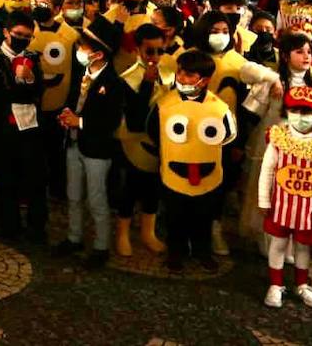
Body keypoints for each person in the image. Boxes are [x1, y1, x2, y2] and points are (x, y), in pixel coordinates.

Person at [130, 48, 237, 272]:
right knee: (175, 217)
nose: (182, 78)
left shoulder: (218, 108)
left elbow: (227, 136)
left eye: (189, 75)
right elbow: (152, 131)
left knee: (203, 217)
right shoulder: (164, 104)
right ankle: (175, 252)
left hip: (209, 176)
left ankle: (202, 252)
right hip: (173, 173)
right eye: (180, 73)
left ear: (204, 80)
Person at [257, 84, 312, 310]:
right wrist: (263, 199)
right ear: (287, 112)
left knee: (303, 247)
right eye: (295, 111)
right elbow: (267, 171)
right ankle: (275, 284)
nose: (301, 116)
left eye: (307, 112)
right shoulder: (278, 138)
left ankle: (301, 283)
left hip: (309, 211)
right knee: (278, 244)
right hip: (280, 207)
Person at [53, 15, 124, 268]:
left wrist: (79, 122)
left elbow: (111, 122)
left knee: (96, 199)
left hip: (97, 150)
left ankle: (101, 246)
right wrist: (67, 116)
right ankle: (74, 237)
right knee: (73, 195)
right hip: (73, 144)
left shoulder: (113, 84)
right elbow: (74, 102)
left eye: (84, 46)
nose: (79, 49)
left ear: (99, 54)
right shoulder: (82, 73)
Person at [0, 10, 47, 243]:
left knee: (34, 178)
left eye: (28, 36)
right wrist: (23, 87)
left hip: (30, 126)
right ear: (6, 32)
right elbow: (0, 93)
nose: (22, 39)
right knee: (5, 179)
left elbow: (39, 91)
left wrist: (29, 79)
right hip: (2, 127)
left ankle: (36, 226)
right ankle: (9, 225)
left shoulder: (33, 57)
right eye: (18, 34)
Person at [115, 24, 170, 257]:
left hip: (161, 146)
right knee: (130, 190)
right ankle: (122, 234)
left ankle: (148, 233)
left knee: (153, 191)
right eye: (150, 51)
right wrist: (147, 83)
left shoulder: (169, 74)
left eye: (160, 51)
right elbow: (136, 118)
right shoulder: (128, 79)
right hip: (134, 145)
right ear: (138, 50)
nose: (155, 57)